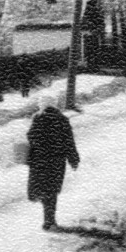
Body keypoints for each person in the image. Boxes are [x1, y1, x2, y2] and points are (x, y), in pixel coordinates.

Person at [26, 99, 80, 231]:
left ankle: (47, 219)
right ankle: (50, 220)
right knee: (52, 190)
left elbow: (30, 137)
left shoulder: (37, 118)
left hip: (40, 160)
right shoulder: (62, 119)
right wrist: (73, 158)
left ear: (42, 106)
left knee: (44, 189)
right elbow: (69, 141)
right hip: (56, 161)